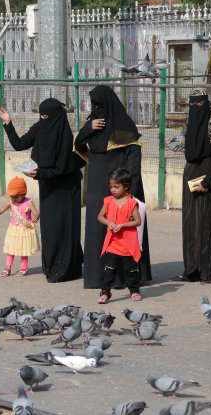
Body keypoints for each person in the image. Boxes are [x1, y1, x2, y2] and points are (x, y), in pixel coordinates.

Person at [0, 98, 84, 283]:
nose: (43, 118)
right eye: (41, 115)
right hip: (48, 185)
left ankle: (70, 267)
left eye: (46, 116)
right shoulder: (40, 127)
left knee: (67, 225)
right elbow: (19, 144)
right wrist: (8, 123)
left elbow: (64, 167)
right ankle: (52, 266)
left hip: (67, 187)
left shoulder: (66, 136)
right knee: (50, 227)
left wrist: (41, 173)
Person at [73, 85, 152, 289]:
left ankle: (125, 278)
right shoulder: (93, 127)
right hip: (96, 188)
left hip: (120, 189)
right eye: (94, 105)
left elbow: (134, 159)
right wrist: (88, 129)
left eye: (100, 105)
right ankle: (97, 277)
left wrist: (128, 190)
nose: (97, 108)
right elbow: (79, 147)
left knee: (123, 232)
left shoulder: (125, 127)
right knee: (97, 231)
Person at [171, 88, 211, 283]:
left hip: (206, 177)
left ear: (206, 103)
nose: (196, 107)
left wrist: (206, 181)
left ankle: (208, 272)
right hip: (190, 175)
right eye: (192, 103)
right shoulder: (189, 122)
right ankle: (191, 270)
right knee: (190, 224)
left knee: (206, 224)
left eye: (199, 103)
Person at [96, 168, 142, 303]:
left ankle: (134, 290)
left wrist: (122, 225)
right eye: (111, 186)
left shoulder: (131, 202)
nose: (113, 190)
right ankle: (105, 292)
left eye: (116, 186)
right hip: (112, 243)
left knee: (131, 270)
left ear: (126, 186)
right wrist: (109, 222)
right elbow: (100, 216)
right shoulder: (108, 201)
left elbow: (138, 221)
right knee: (108, 270)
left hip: (128, 244)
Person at [0, 176, 40, 277]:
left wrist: (36, 218)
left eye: (16, 196)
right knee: (10, 250)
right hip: (13, 230)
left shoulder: (29, 202)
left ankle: (23, 269)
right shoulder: (11, 202)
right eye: (11, 196)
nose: (13, 198)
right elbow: (1, 210)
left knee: (23, 250)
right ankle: (8, 268)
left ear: (23, 193)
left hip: (25, 231)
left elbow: (36, 213)